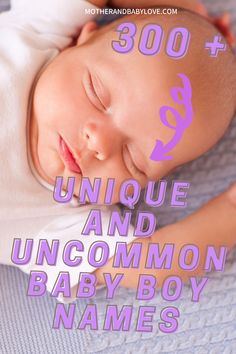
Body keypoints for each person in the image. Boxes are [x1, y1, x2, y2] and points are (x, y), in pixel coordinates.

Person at [0, 0, 235, 302]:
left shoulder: (62, 220)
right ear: (80, 40)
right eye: (96, 93)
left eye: (131, 160)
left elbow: (149, 264)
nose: (99, 143)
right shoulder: (37, 33)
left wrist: (231, 209)